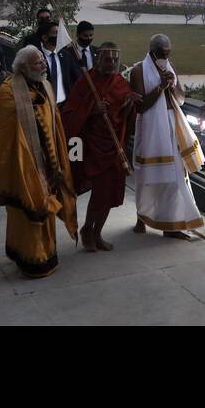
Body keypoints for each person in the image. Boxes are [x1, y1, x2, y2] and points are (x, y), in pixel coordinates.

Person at [0, 45, 78, 278]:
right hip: (23, 163)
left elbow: (54, 121)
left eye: (43, 61)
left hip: (48, 163)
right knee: (31, 209)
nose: (44, 65)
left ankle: (47, 253)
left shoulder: (45, 85)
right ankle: (32, 259)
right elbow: (1, 133)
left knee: (47, 208)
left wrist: (57, 158)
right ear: (24, 67)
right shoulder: (9, 91)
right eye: (38, 63)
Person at [60, 42, 137, 252]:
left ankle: (96, 232)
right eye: (107, 59)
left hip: (114, 146)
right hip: (92, 146)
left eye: (115, 60)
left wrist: (128, 105)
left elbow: (124, 116)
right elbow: (69, 113)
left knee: (109, 193)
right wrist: (92, 110)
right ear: (99, 59)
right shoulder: (87, 81)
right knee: (100, 192)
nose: (111, 63)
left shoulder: (120, 82)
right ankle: (88, 229)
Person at [128, 34, 204, 237]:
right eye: (162, 54)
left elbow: (180, 99)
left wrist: (171, 85)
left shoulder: (171, 67)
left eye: (168, 53)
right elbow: (141, 106)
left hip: (172, 125)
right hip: (151, 127)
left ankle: (172, 224)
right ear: (153, 52)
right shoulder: (138, 71)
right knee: (148, 175)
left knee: (176, 175)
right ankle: (142, 216)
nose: (166, 57)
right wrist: (160, 86)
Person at [36, 18, 79, 106]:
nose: (59, 36)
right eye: (56, 33)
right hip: (45, 106)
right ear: (45, 37)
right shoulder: (36, 57)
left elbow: (76, 77)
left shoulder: (66, 55)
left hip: (64, 105)